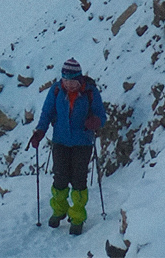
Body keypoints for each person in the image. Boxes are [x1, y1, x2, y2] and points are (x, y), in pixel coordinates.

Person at [30, 58, 106, 236]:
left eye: (72, 82)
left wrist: (95, 121)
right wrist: (40, 131)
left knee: (79, 180)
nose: (69, 85)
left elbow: (101, 115)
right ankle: (59, 210)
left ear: (79, 79)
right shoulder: (56, 90)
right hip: (60, 142)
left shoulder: (90, 92)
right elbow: (47, 112)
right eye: (66, 81)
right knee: (60, 177)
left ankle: (77, 217)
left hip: (82, 142)